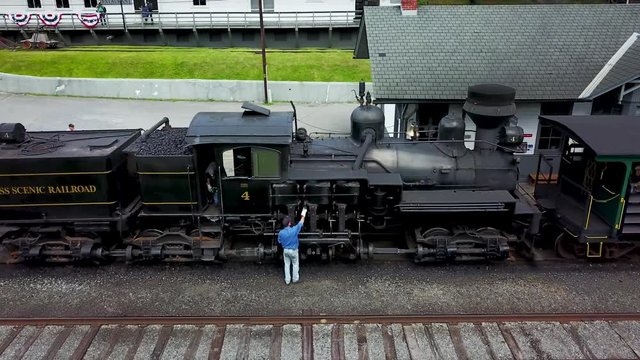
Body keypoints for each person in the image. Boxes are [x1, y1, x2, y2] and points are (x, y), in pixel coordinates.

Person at [277, 208, 307, 285]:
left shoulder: (281, 233)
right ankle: (295, 279)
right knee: (295, 264)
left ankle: (287, 280)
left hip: (286, 251)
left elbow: (279, 241)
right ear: (289, 223)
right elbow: (301, 222)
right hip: (293, 250)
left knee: (286, 265)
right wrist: (304, 211)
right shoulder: (294, 230)